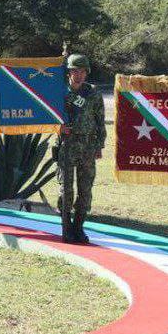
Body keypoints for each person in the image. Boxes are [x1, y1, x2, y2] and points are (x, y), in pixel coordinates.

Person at [56, 54, 105, 244]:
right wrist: (57, 128)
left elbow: (100, 121)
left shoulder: (93, 93)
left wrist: (100, 145)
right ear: (69, 72)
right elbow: (48, 117)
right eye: (75, 71)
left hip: (87, 147)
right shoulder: (59, 92)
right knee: (66, 190)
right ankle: (66, 228)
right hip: (67, 147)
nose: (79, 75)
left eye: (82, 71)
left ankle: (79, 227)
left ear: (86, 73)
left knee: (85, 190)